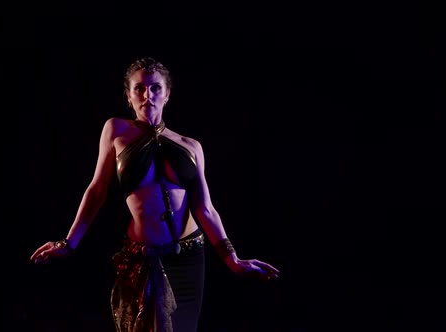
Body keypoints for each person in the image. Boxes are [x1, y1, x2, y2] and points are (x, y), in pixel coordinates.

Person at [30, 56, 280, 332]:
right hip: (144, 257)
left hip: (188, 259)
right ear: (128, 95)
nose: (147, 94)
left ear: (167, 94)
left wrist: (232, 259)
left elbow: (205, 208)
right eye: (139, 88)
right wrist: (68, 243)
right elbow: (97, 190)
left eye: (155, 88)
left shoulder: (191, 146)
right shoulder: (116, 130)